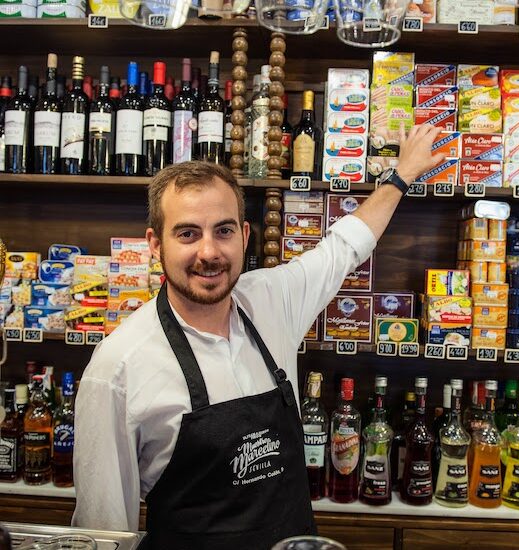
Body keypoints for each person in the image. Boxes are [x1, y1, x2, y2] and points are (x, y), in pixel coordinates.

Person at [72, 124, 445, 549]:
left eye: (224, 231)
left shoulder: (271, 299)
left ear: (246, 236)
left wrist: (401, 176)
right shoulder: (117, 367)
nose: (209, 252)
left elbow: (344, 246)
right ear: (156, 245)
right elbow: (101, 532)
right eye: (188, 233)